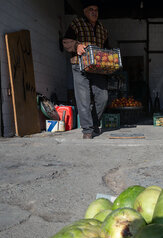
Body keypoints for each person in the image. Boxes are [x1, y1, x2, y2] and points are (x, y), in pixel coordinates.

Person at [63, 0, 109, 139]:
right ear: (84, 11)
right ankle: (87, 130)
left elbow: (106, 49)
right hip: (79, 66)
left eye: (96, 9)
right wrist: (76, 45)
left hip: (97, 69)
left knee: (103, 97)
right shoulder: (76, 23)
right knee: (83, 98)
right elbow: (66, 41)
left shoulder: (103, 30)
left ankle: (94, 124)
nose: (94, 12)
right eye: (90, 9)